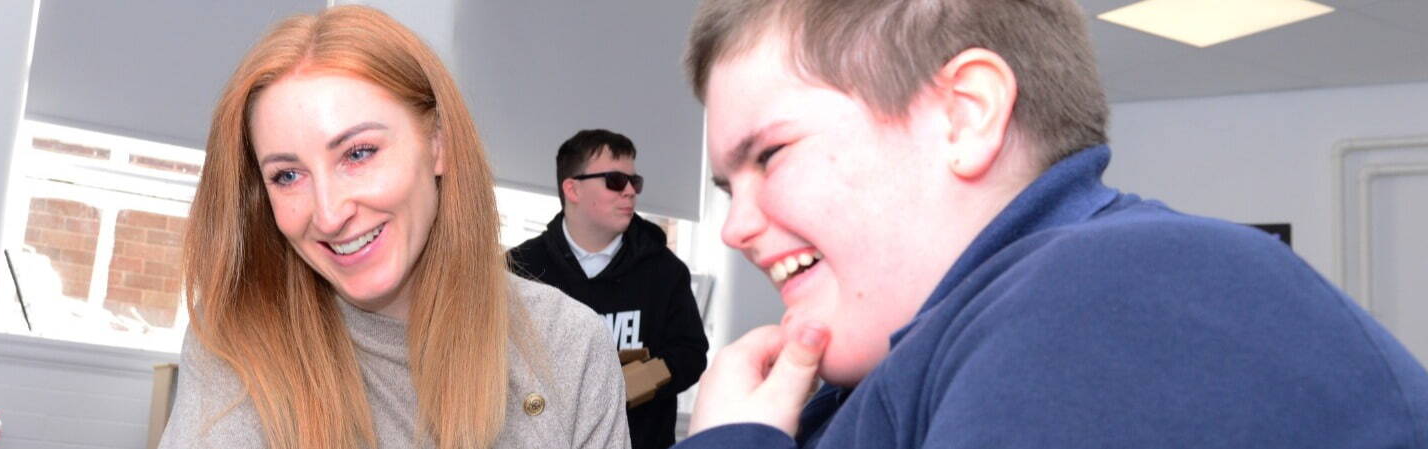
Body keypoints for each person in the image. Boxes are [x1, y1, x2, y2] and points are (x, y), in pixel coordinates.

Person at [673, 0, 1428, 448]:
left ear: (964, 116)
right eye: (725, 185)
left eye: (769, 154)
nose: (737, 226)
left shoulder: (1117, 295)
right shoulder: (946, 346)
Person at [161, 6, 630, 449]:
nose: (328, 214)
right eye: (287, 176)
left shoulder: (567, 344)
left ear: (438, 145)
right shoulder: (239, 337)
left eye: (358, 153)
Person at [509, 129, 710, 449]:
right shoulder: (520, 269)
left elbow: (690, 355)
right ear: (572, 189)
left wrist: (631, 385)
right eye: (616, 181)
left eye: (635, 182)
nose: (630, 192)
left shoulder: (665, 271)